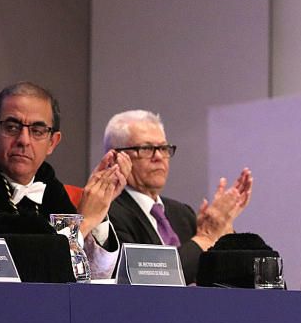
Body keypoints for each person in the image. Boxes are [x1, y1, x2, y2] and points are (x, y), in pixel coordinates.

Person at [0, 81, 129, 276]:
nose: (23, 140)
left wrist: (99, 213)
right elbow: (17, 264)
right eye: (12, 127)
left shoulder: (48, 182)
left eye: (37, 131)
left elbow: (91, 274)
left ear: (52, 142)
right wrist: (84, 222)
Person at [103, 109, 253, 284]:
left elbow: (215, 275)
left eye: (163, 148)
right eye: (146, 148)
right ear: (114, 158)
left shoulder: (182, 213)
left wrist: (223, 231)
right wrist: (205, 238)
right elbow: (149, 280)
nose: (158, 157)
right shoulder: (109, 213)